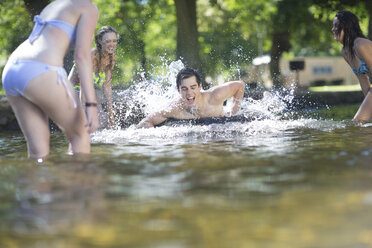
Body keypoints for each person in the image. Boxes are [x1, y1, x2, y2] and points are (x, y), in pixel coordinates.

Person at [1, 0, 99, 159]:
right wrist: (91, 104)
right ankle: (80, 182)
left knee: (37, 152)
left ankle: (38, 181)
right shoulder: (87, 7)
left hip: (12, 69)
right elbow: (82, 56)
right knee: (80, 134)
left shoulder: (54, 5)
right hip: (41, 69)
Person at [138, 68, 245, 128]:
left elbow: (240, 85)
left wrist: (233, 111)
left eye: (193, 87)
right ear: (178, 90)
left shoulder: (215, 96)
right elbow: (146, 121)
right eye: (184, 89)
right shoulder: (175, 108)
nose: (189, 93)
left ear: (200, 86)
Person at [69, 26, 119, 127]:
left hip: (88, 90)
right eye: (108, 41)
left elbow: (107, 87)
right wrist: (83, 114)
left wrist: (111, 115)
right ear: (100, 41)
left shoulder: (111, 58)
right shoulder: (90, 56)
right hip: (72, 90)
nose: (112, 45)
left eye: (114, 41)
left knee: (104, 120)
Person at [332, 10, 372, 121]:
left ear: (347, 26)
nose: (333, 29)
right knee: (360, 123)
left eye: (336, 26)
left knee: (357, 122)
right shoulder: (345, 52)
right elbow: (363, 80)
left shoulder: (361, 44)